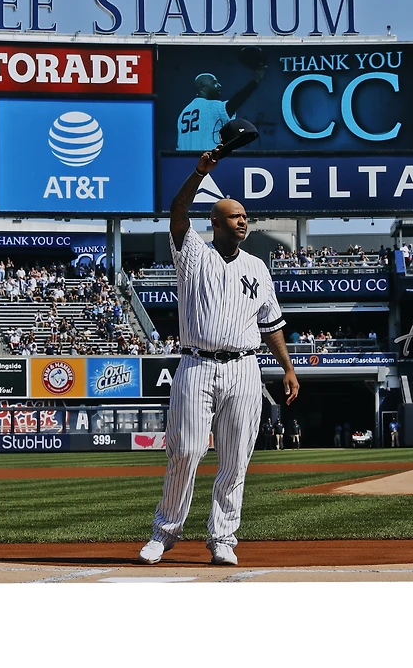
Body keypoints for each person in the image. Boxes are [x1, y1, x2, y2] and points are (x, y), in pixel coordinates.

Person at [139, 142, 299, 567]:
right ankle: (165, 532)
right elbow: (177, 212)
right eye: (235, 215)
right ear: (215, 221)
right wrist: (198, 173)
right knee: (187, 450)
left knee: (236, 459)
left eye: (245, 216)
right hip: (196, 363)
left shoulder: (258, 268)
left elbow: (272, 324)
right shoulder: (193, 256)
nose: (244, 221)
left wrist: (287, 367)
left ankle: (223, 538)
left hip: (246, 368)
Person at [176, 65, 266, 151]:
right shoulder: (211, 106)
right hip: (208, 162)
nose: (219, 85)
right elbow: (235, 102)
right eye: (214, 83)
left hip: (186, 162)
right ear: (203, 88)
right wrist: (255, 80)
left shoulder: (183, 113)